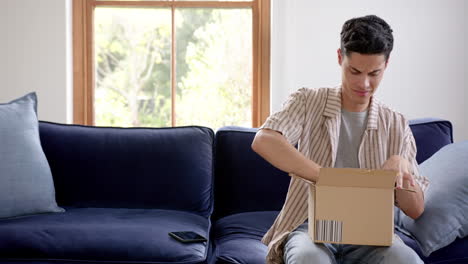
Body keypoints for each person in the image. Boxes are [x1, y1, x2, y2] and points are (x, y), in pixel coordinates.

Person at [251, 15, 429, 264]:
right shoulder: (308, 101)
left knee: (406, 259)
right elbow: (264, 140)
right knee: (308, 258)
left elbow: (416, 209)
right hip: (310, 228)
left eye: (374, 73)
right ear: (339, 57)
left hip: (371, 235)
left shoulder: (396, 124)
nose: (364, 83)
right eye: (354, 71)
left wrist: (404, 167)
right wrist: (327, 178)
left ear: (386, 65)